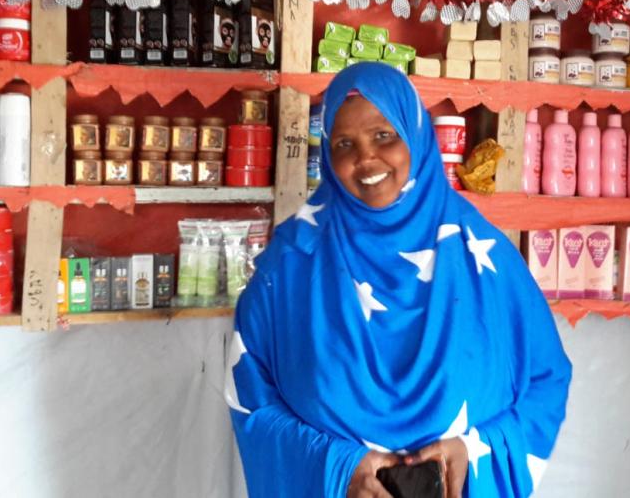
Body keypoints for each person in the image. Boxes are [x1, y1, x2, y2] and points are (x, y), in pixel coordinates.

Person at [226, 63, 572, 497]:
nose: (365, 158)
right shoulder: (290, 264)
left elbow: (547, 379)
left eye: (383, 136)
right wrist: (336, 466)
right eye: (344, 144)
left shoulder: (483, 255)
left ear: (416, 135)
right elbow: (249, 395)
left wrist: (476, 451)